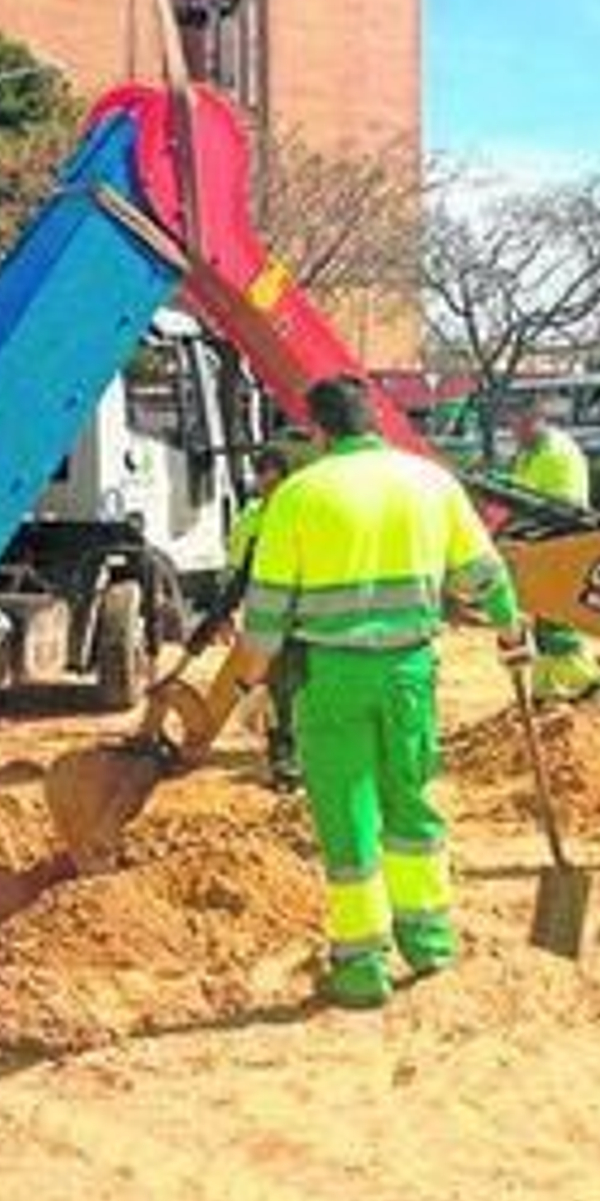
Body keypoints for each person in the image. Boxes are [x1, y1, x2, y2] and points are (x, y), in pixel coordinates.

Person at [244, 376, 529, 1011]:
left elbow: (266, 610)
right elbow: (485, 573)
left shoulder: (298, 494)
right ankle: (429, 941)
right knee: (411, 803)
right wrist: (513, 633)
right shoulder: (431, 483)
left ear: (318, 432)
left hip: (332, 676)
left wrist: (252, 684)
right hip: (410, 673)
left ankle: (360, 966)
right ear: (372, 419)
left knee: (348, 821)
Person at [202, 444, 301, 787]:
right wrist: (223, 611)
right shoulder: (252, 517)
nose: (266, 486)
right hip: (265, 615)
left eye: (274, 480)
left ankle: (292, 752)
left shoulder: (301, 512)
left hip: (303, 614)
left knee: (291, 688)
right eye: (263, 479)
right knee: (274, 689)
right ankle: (283, 756)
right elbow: (235, 568)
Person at [507, 397, 600, 702]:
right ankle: (546, 689)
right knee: (543, 621)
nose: (516, 433)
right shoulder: (529, 454)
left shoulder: (557, 454)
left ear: (539, 419)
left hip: (560, 546)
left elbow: (564, 512)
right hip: (539, 546)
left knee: (556, 622)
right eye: (513, 426)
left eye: (522, 425)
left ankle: (590, 681)